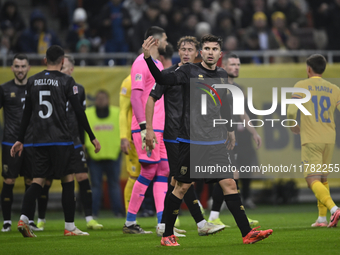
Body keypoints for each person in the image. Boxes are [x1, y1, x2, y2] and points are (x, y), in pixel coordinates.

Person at [142, 34, 273, 246]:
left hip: (215, 143)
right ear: (201, 52)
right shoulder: (188, 71)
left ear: (220, 54)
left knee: (230, 183)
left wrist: (229, 129)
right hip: (192, 143)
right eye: (207, 48)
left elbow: (224, 104)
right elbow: (163, 79)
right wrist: (148, 58)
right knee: (181, 187)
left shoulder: (221, 74)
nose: (210, 52)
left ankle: (247, 233)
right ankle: (167, 234)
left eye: (214, 49)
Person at [11, 45, 101, 238]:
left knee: (37, 181)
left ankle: (24, 218)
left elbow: (26, 113)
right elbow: (79, 111)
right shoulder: (67, 81)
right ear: (62, 62)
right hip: (61, 140)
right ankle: (69, 227)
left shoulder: (33, 81)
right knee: (68, 180)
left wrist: (19, 139)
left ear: (45, 60)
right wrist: (92, 137)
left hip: (39, 141)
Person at [146, 36, 224, 237]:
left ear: (196, 53)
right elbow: (151, 99)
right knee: (183, 180)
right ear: (178, 52)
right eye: (183, 49)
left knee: (177, 180)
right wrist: (148, 128)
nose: (186, 53)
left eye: (190, 49)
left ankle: (164, 225)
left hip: (194, 135)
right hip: (174, 135)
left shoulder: (199, 74)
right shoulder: (169, 74)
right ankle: (200, 223)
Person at [35, 54, 103, 230]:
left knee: (81, 176)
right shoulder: (49, 87)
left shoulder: (78, 89)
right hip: (53, 139)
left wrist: (81, 140)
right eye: (61, 66)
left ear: (71, 69)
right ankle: (41, 219)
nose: (61, 70)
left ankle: (89, 218)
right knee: (46, 180)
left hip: (72, 140)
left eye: (64, 67)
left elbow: (80, 116)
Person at [122, 26, 169, 234]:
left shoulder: (157, 63)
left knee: (163, 171)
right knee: (149, 170)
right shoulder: (141, 63)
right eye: (165, 38)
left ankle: (162, 223)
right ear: (156, 41)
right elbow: (135, 96)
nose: (168, 41)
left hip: (158, 127)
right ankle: (130, 222)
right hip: (147, 127)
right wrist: (144, 127)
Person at [287, 54, 340, 228]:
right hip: (329, 139)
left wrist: (292, 124)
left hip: (311, 139)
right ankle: (322, 219)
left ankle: (334, 209)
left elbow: (291, 112)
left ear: (308, 69)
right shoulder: (334, 88)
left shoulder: (301, 86)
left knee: (312, 180)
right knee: (323, 179)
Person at [208, 53, 260, 227]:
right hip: (218, 138)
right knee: (228, 176)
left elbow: (242, 113)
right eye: (233, 64)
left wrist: (253, 132)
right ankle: (214, 216)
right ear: (224, 67)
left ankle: (215, 216)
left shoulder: (236, 88)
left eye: (238, 64)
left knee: (231, 176)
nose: (236, 67)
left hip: (230, 139)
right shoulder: (216, 86)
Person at [0, 54, 42, 232]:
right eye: (17, 66)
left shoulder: (35, 88)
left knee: (30, 181)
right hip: (10, 142)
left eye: (23, 66)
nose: (20, 70)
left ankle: (29, 220)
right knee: (9, 180)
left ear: (28, 68)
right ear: (12, 68)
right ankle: (7, 221)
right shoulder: (4, 89)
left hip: (32, 143)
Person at [85, 90, 123, 217]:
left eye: (103, 98)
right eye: (98, 98)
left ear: (108, 100)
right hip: (94, 156)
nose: (101, 100)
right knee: (96, 186)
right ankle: (93, 213)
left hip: (114, 155)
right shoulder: (88, 114)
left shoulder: (117, 113)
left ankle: (118, 212)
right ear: (95, 100)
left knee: (114, 185)